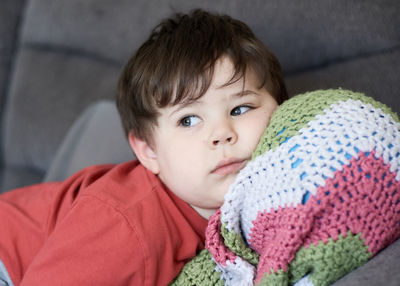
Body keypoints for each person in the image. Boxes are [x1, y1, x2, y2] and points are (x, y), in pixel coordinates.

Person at [0, 9, 287, 285]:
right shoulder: (128, 229)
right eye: (188, 120)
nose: (222, 134)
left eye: (240, 109)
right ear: (149, 152)